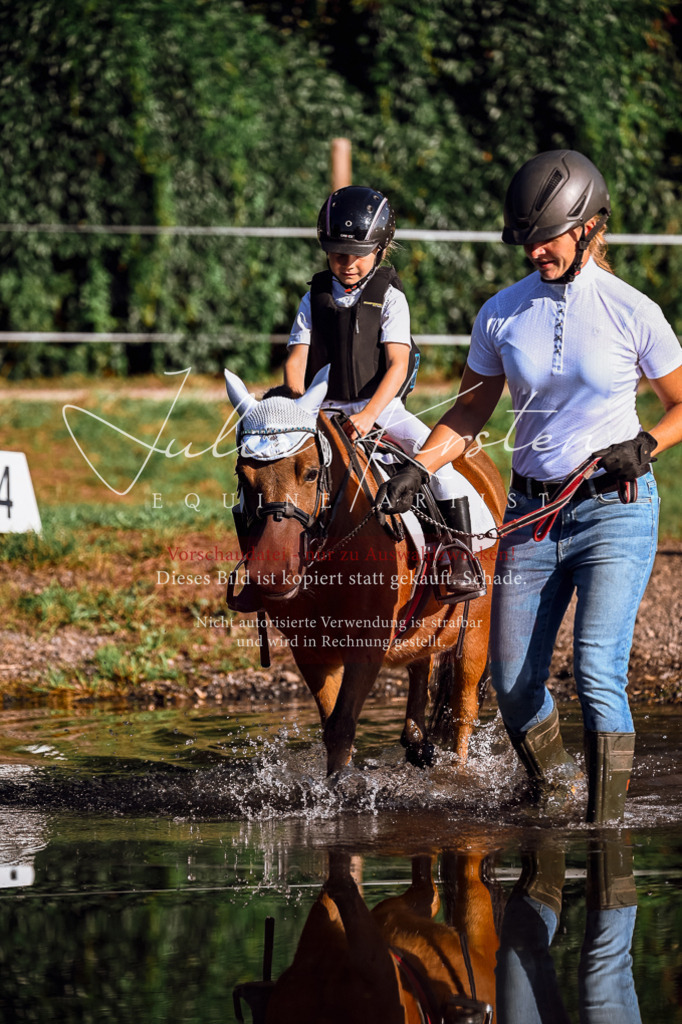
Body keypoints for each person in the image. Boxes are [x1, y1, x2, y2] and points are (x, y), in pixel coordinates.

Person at [376, 150, 682, 822]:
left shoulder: (633, 311)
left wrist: (647, 444)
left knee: (597, 671)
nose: (535, 250)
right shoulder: (502, 313)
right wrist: (420, 466)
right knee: (514, 687)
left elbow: (681, 402)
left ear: (590, 227)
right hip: (530, 516)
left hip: (614, 510)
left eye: (548, 237)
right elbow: (469, 411)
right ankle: (557, 792)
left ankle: (605, 832)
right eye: (527, 239)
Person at [284, 184, 496, 588]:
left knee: (437, 463)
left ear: (380, 250)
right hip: (322, 411)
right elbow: (296, 360)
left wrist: (368, 416)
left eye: (358, 255)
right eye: (337, 254)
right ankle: (263, 562)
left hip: (381, 410)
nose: (347, 264)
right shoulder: (312, 299)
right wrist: (297, 410)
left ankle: (458, 555)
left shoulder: (391, 298)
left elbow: (398, 366)